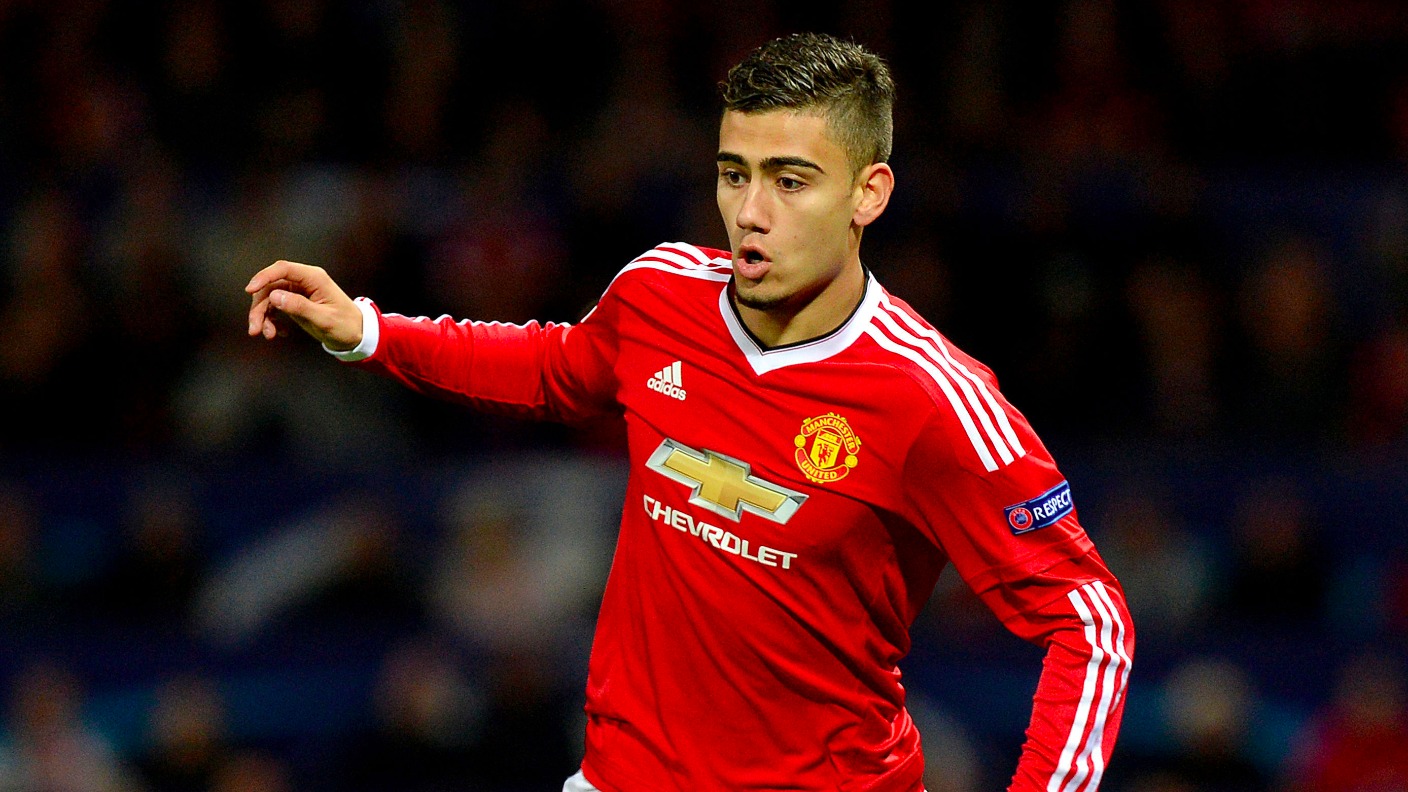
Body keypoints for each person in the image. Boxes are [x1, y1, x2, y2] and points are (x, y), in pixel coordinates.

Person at [245, 32, 1134, 792]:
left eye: (791, 181)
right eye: (734, 174)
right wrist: (370, 331)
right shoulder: (659, 292)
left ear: (869, 193)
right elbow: (557, 367)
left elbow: (1091, 620)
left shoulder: (934, 399)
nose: (751, 213)